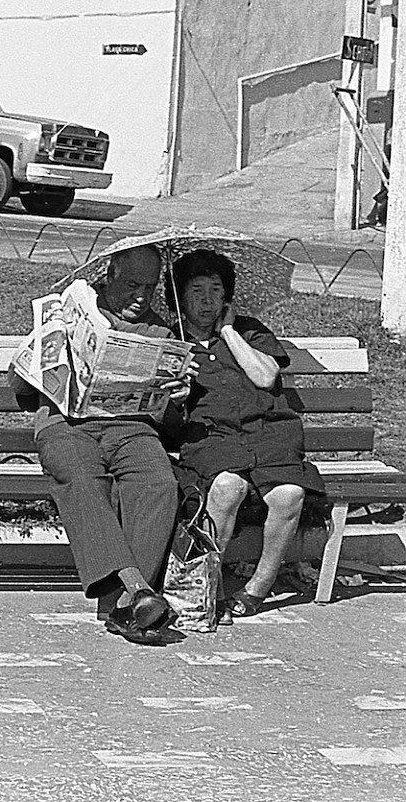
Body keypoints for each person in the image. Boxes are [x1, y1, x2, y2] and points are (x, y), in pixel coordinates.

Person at [9, 245, 194, 645]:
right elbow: (17, 386)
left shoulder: (160, 332)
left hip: (131, 429)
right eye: (131, 284)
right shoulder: (74, 310)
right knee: (81, 478)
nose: (141, 296)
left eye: (150, 287)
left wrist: (174, 398)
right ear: (109, 275)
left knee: (159, 483)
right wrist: (47, 343)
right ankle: (137, 591)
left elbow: (171, 423)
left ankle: (127, 608)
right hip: (66, 425)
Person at [170, 249, 320, 620]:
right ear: (180, 296)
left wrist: (228, 332)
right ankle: (209, 585)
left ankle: (257, 587)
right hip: (211, 437)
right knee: (227, 488)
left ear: (227, 297)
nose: (207, 301)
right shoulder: (169, 340)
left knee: (289, 494)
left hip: (265, 432)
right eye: (197, 291)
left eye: (216, 291)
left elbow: (265, 376)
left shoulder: (249, 330)